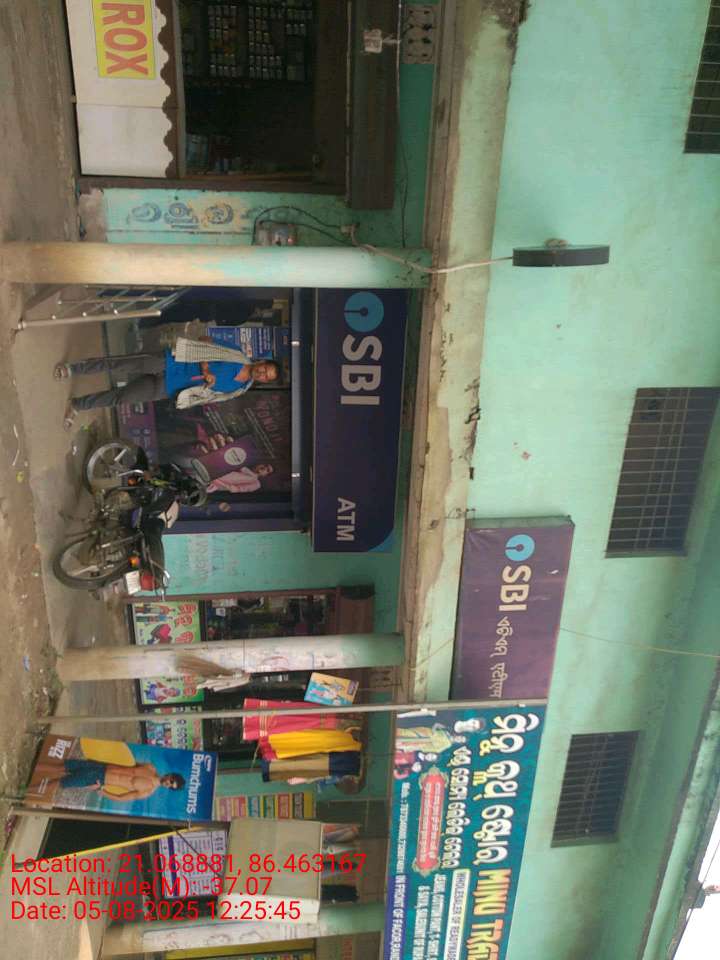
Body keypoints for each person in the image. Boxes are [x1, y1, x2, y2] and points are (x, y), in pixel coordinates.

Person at [56, 337, 280, 430]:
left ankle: (78, 404)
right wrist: (205, 369)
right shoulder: (237, 354)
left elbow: (209, 397)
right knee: (120, 365)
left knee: (122, 397)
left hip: (169, 389)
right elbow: (205, 341)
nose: (262, 373)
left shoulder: (239, 390)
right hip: (170, 362)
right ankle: (74, 368)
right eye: (265, 369)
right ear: (261, 361)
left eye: (266, 377)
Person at [36, 757, 185, 803]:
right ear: (170, 775)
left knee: (61, 782)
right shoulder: (150, 767)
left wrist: (101, 790)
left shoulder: (148, 791)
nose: (169, 783)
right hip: (101, 766)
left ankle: (27, 790)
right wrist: (98, 760)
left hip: (100, 778)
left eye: (171, 786)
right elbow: (126, 761)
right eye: (172, 780)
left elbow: (121, 798)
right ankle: (33, 767)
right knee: (61, 767)